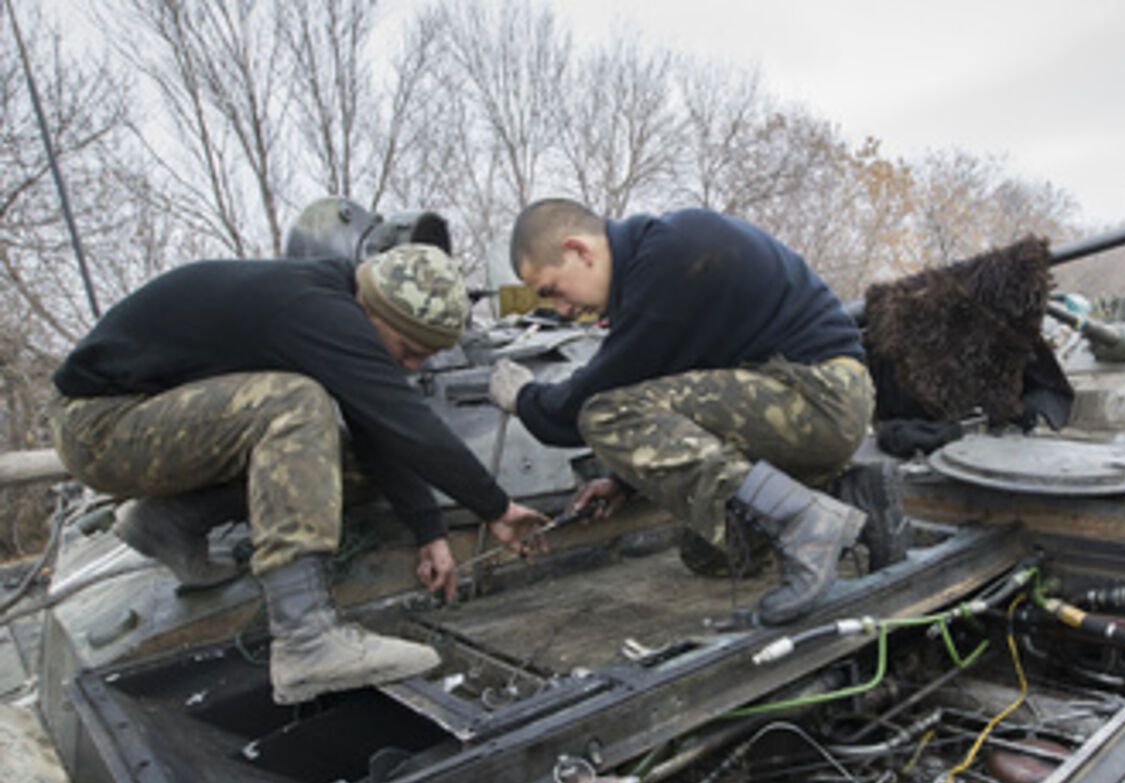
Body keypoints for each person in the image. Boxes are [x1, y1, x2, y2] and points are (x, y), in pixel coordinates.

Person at [50, 244, 548, 704]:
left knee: (341, 459)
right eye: (408, 347)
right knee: (295, 404)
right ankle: (306, 640)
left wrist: (428, 530)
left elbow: (377, 427)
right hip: (102, 426)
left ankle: (171, 522)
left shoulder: (333, 297)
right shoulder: (317, 311)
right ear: (374, 311)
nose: (412, 364)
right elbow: (407, 422)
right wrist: (498, 507)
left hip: (147, 421)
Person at [489, 199, 876, 625]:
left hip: (820, 396)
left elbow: (586, 404)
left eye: (552, 290)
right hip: (804, 406)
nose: (561, 310)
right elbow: (686, 393)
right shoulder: (661, 264)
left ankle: (801, 519)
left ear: (580, 251)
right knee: (713, 554)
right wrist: (624, 481)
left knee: (604, 414)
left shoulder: (668, 256)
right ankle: (849, 498)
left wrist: (523, 397)